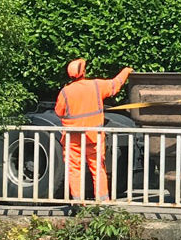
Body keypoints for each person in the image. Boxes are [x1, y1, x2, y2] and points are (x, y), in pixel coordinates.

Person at [55, 58, 133, 201]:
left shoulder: (65, 92)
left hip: (73, 138)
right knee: (97, 168)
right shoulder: (96, 85)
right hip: (93, 136)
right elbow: (115, 84)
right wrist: (126, 71)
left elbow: (59, 112)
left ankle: (78, 203)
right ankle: (102, 202)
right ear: (83, 72)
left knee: (74, 170)